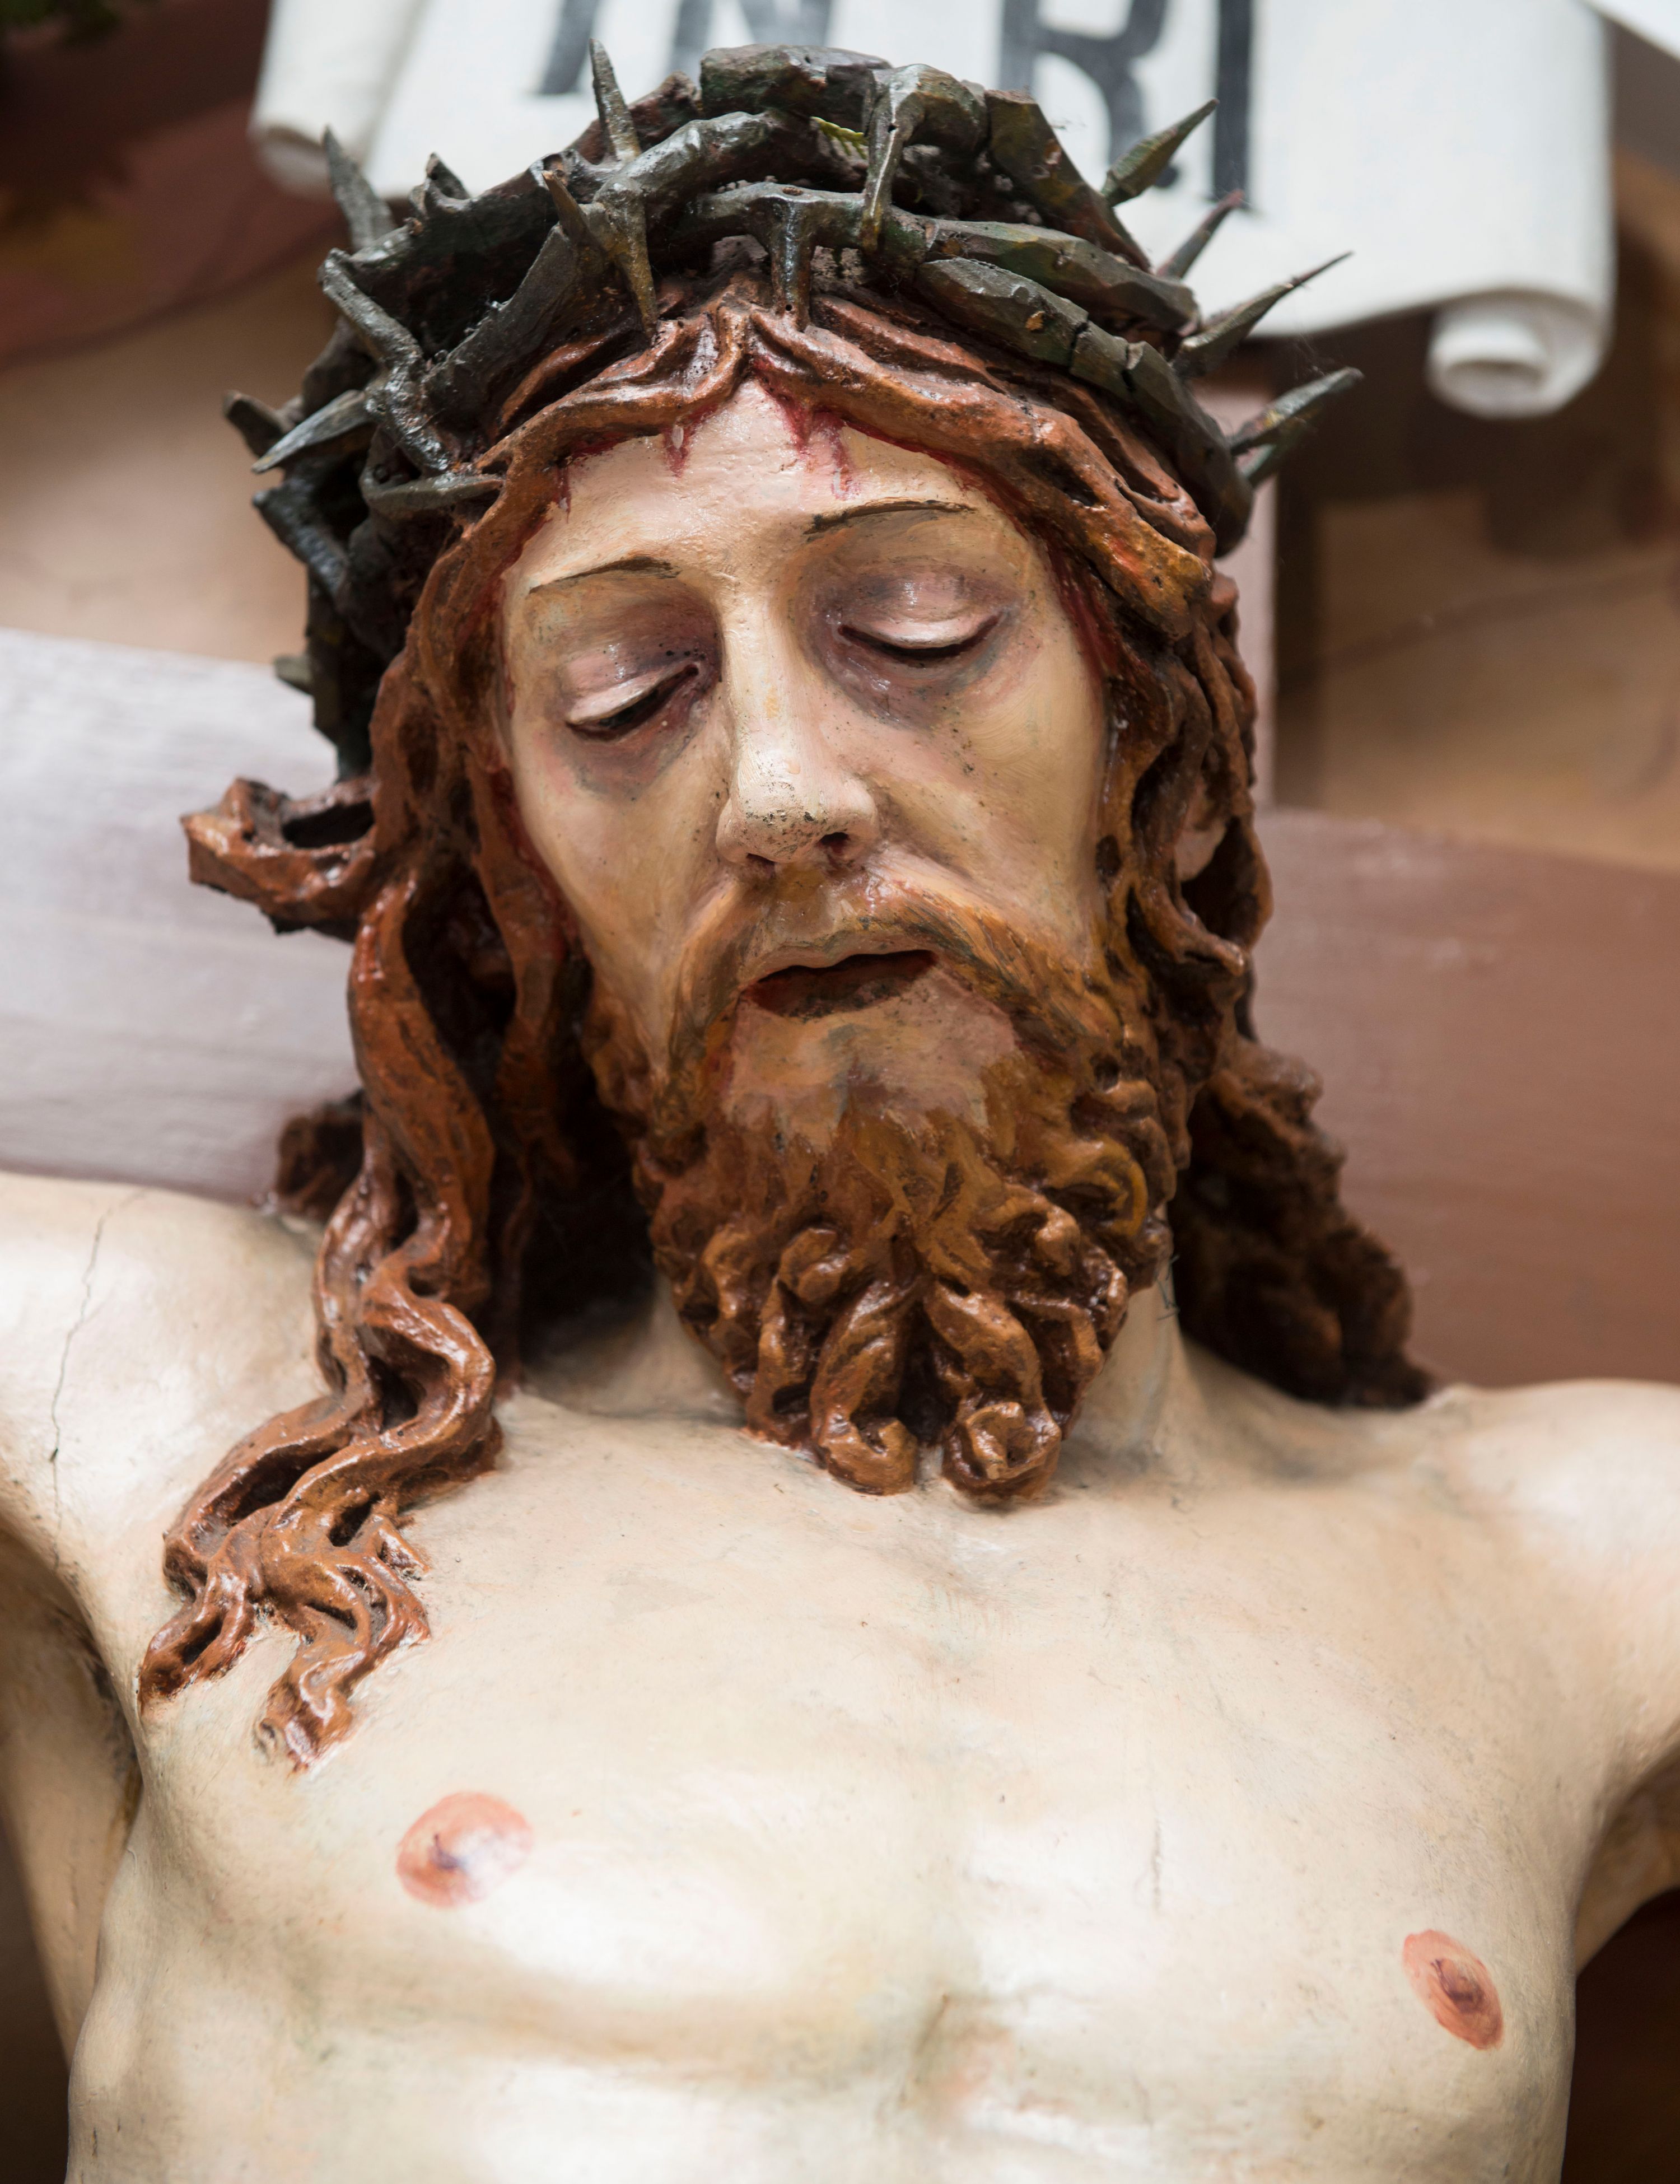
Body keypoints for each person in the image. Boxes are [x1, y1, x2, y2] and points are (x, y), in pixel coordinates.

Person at [2, 45, 1675, 2182]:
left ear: (1157, 749)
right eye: (624, 697)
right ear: (511, 873)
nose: (783, 793)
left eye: (916, 628)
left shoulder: (1581, 1568)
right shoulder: (142, 1398)